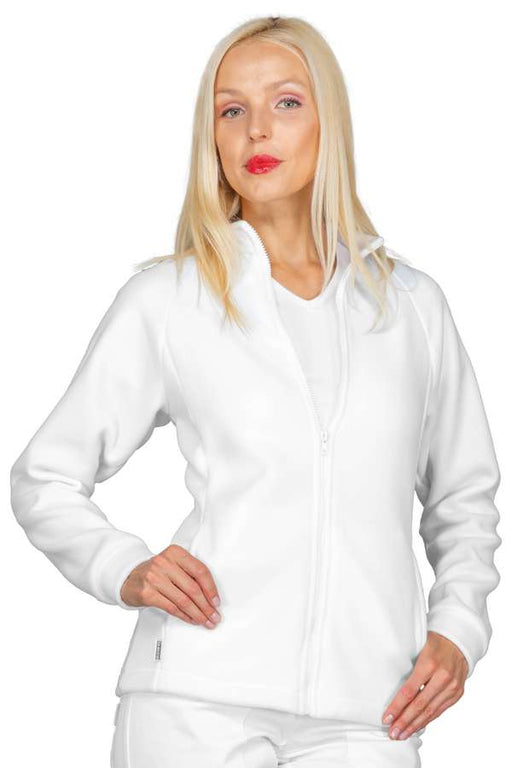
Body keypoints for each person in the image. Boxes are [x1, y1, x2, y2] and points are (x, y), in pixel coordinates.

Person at [10, 15, 502, 768]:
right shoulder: (170, 300)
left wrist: (459, 629)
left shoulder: (411, 307)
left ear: (329, 121)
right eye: (231, 110)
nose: (256, 131)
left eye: (286, 103)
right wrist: (121, 565)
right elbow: (44, 477)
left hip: (370, 709)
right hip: (195, 699)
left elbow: (464, 496)